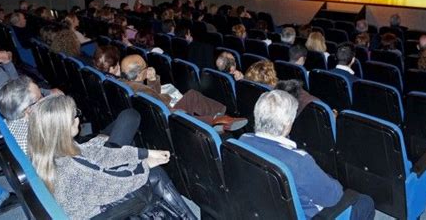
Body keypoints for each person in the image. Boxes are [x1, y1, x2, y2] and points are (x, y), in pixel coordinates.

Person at [27, 94, 196, 219]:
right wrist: (145, 164)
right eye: (74, 116)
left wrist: (143, 153)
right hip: (98, 214)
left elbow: (92, 152)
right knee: (154, 174)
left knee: (141, 166)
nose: (78, 119)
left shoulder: (48, 149)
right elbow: (115, 182)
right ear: (63, 127)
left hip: (88, 200)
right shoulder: (72, 168)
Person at [239, 90, 375, 220]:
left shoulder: (243, 141)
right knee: (364, 202)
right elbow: (334, 196)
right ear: (288, 124)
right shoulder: (298, 161)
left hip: (263, 207)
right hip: (307, 214)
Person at [120, 54, 246, 130]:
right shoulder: (142, 90)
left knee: (192, 95)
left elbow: (154, 96)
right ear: (140, 73)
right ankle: (217, 120)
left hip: (157, 114)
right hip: (169, 117)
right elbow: (161, 99)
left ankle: (222, 115)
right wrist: (165, 94)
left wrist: (152, 80)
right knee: (185, 110)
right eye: (145, 67)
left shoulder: (123, 83)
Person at [0, 76, 43, 154]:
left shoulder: (7, 121)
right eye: (40, 98)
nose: (44, 99)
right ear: (27, 109)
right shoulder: (36, 137)